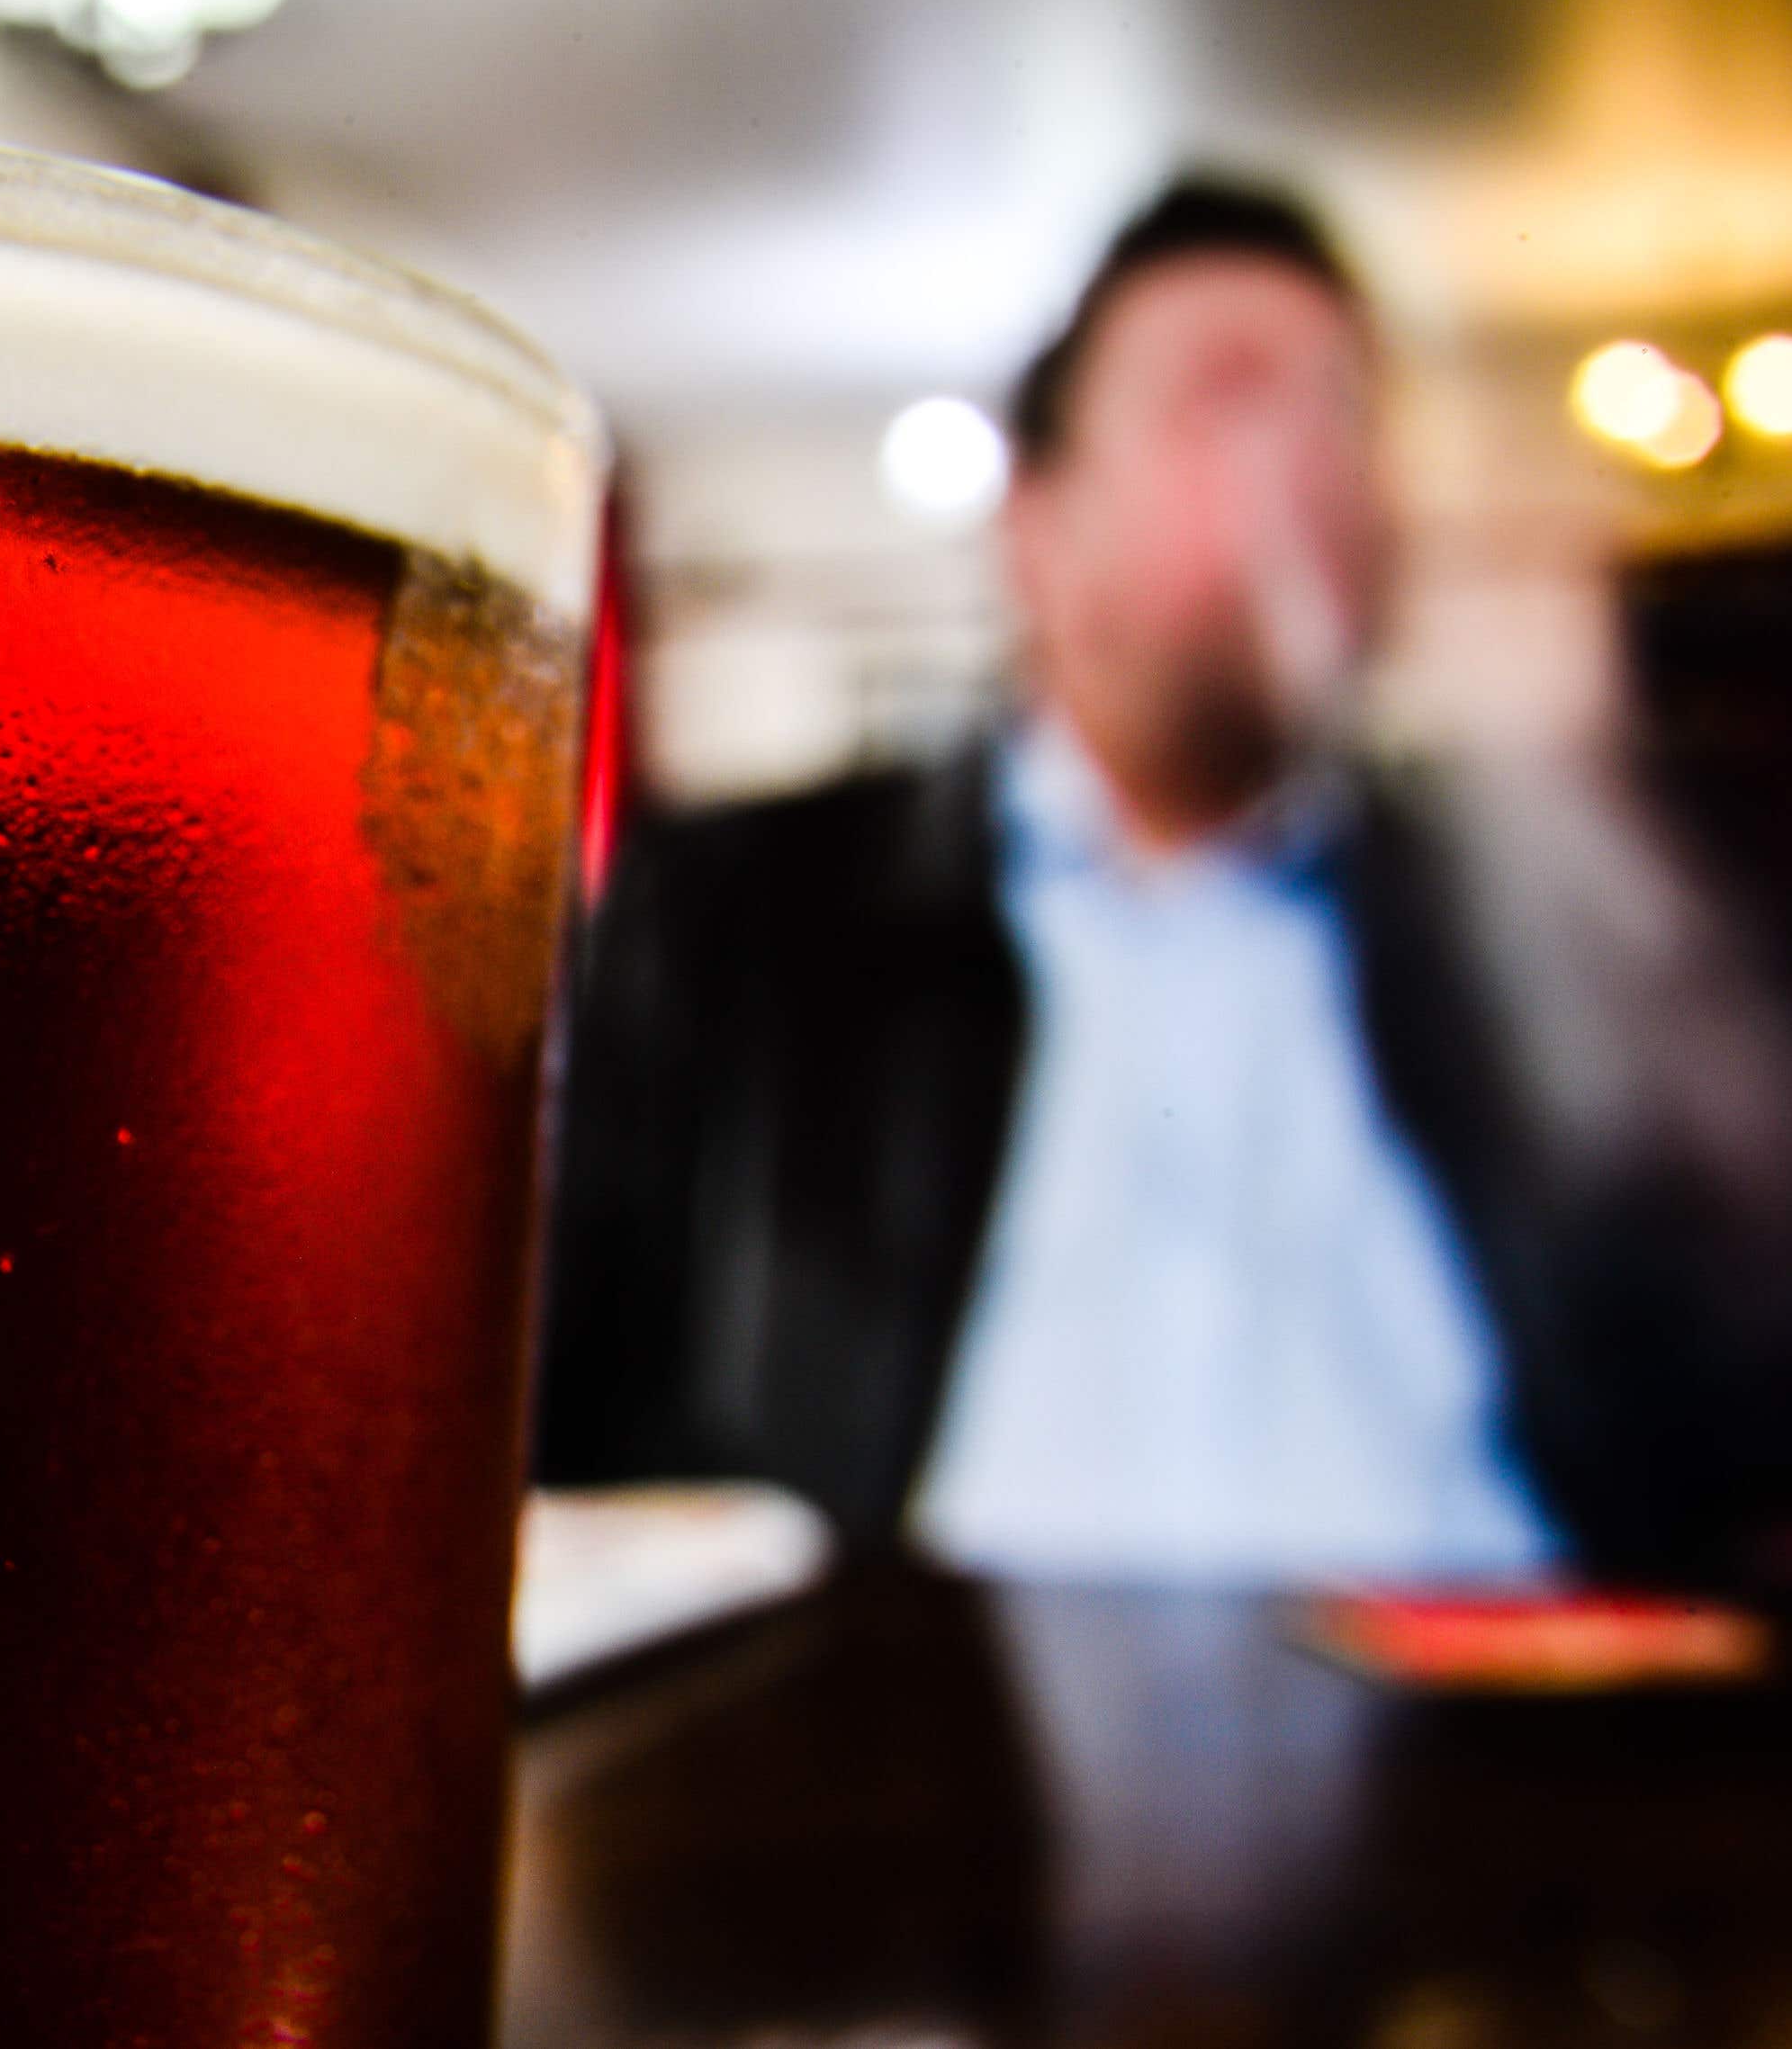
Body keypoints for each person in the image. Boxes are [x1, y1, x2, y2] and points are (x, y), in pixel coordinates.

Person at [537, 177, 1792, 1586]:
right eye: (1231, 402)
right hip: (904, 1703)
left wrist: (1590, 837)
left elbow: (1732, 1416)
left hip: (1480, 1700)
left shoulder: (1510, 913)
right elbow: (558, 1431)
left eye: (1348, 409)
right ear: (1039, 533)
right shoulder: (740, 917)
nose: (1314, 461)